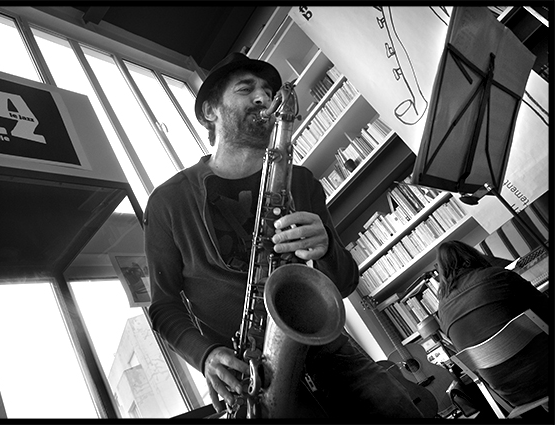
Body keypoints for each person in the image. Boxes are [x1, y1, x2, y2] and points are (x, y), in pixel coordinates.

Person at [143, 52, 424, 418]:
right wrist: (206, 356)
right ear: (210, 111)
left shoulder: (302, 181)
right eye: (246, 89)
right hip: (250, 376)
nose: (263, 97)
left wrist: (326, 249)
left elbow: (344, 282)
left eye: (268, 91)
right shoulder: (168, 201)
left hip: (332, 353)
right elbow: (164, 306)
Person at [435, 240, 550, 409]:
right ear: (470, 257)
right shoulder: (497, 276)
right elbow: (546, 310)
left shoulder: (442, 312)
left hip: (515, 394)